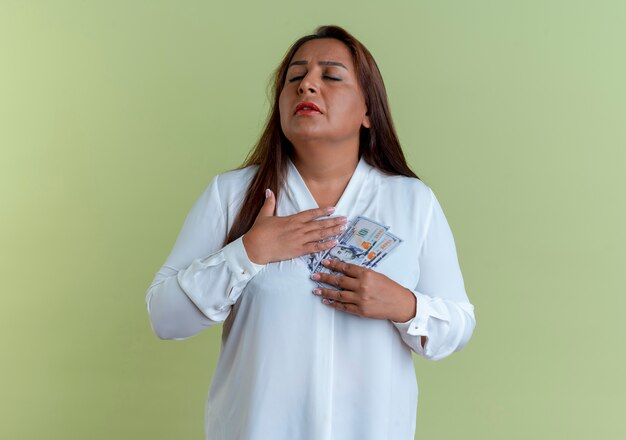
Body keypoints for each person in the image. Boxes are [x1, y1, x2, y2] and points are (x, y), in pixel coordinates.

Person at [145, 25, 476, 440]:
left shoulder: (412, 202)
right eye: (295, 78)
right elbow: (165, 316)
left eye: (331, 76)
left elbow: (458, 325)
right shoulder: (231, 196)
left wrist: (404, 305)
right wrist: (248, 252)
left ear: (368, 111)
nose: (307, 87)